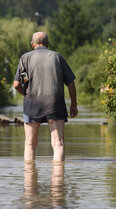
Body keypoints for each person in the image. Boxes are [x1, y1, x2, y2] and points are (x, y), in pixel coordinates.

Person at [13, 32, 78, 162]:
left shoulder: (25, 58)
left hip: (32, 104)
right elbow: (70, 83)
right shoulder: (57, 57)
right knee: (58, 144)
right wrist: (73, 104)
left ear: (32, 44)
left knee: (30, 144)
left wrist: (25, 94)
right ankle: (58, 180)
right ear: (48, 44)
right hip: (55, 103)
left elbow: (16, 85)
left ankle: (30, 179)